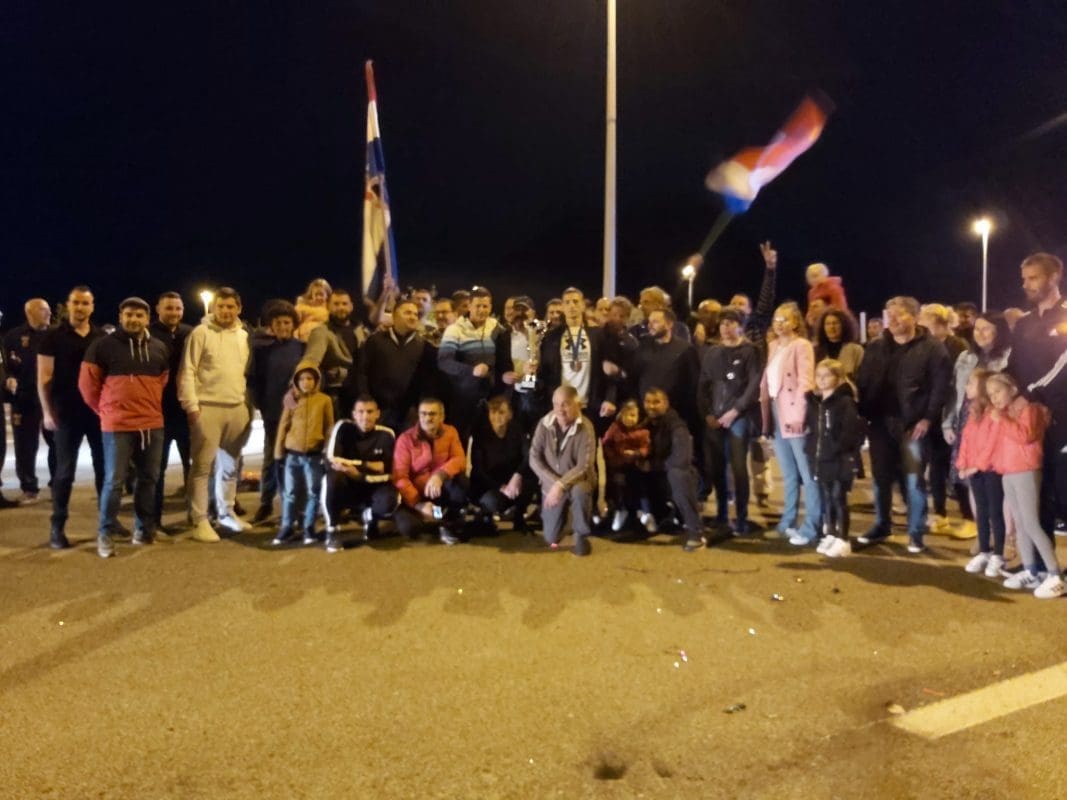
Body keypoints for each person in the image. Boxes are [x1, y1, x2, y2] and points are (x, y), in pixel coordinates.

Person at [856, 296, 951, 553]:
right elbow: (864, 379)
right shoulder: (876, 346)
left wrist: (927, 417)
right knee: (880, 477)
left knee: (914, 480)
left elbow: (940, 387)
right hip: (879, 422)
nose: (893, 320)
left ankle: (916, 532)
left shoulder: (932, 348)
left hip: (913, 424)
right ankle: (882, 525)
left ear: (915, 317)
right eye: (890, 315)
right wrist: (863, 411)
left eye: (900, 314)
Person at [78, 297, 170, 557]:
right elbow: (87, 385)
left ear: (147, 318)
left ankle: (144, 530)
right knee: (114, 481)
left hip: (151, 423)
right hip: (117, 425)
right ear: (120, 317)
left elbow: (162, 380)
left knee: (149, 479)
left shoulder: (159, 348)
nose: (134, 319)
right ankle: (105, 534)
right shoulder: (102, 346)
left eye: (139, 315)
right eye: (129, 314)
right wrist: (106, 411)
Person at [179, 286, 253, 542]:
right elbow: (188, 370)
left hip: (237, 407)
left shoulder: (244, 337)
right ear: (213, 307)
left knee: (231, 466)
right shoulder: (200, 333)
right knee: (202, 467)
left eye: (230, 306)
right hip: (207, 407)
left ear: (239, 308)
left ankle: (226, 512)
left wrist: (246, 406)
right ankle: (199, 519)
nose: (225, 311)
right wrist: (191, 405)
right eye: (221, 306)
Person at [38, 286, 106, 548]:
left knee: (104, 470)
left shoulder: (101, 338)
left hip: (97, 413)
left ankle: (107, 523)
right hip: (65, 413)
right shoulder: (52, 337)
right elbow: (44, 377)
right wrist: (47, 412)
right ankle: (57, 527)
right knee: (64, 473)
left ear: (92, 306)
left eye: (85, 303)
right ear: (68, 305)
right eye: (76, 302)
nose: (80, 307)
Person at [986, 372, 1065, 598]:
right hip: (1008, 471)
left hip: (1026, 470)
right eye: (990, 394)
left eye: (998, 391)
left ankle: (1054, 574)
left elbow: (1026, 436)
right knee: (1020, 524)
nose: (994, 397)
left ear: (1011, 389)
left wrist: (1003, 420)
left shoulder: (1028, 409)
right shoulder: (1004, 414)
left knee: (1031, 523)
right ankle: (1031, 570)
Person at [1007, 253, 1067, 539]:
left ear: (1054, 277)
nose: (1026, 284)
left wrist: (1032, 394)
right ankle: (1041, 560)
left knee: (1062, 491)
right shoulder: (1024, 322)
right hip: (1029, 418)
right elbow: (1014, 365)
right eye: (1024, 279)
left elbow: (1064, 366)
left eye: (1033, 278)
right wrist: (997, 389)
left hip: (1061, 418)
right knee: (1037, 493)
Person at [761, 302, 821, 545]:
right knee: (787, 472)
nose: (779, 323)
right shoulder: (774, 346)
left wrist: (798, 415)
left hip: (794, 412)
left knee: (808, 473)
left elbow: (806, 381)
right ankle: (787, 522)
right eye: (776, 319)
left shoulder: (801, 345)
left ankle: (812, 526)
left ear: (796, 322)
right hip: (776, 411)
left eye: (785, 319)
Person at [698, 308, 761, 534]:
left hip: (738, 417)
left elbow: (753, 385)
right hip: (715, 416)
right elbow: (703, 385)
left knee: (738, 467)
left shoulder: (750, 351)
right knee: (716, 467)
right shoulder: (713, 353)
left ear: (740, 326)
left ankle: (741, 518)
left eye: (731, 322)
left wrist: (734, 411)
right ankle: (722, 514)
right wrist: (707, 413)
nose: (726, 327)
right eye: (723, 323)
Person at [248, 301, 305, 523]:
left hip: (297, 414)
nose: (282, 326)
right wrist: (260, 405)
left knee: (295, 460)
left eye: (287, 322)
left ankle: (294, 506)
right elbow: (254, 380)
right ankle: (266, 503)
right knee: (272, 458)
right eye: (278, 322)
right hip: (272, 412)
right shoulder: (262, 351)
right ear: (271, 325)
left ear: (293, 324)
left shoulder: (302, 348)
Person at [535, 287, 617, 435]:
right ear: (563, 307)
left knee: (588, 448)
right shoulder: (551, 337)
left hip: (589, 406)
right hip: (560, 409)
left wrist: (610, 398)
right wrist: (529, 377)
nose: (572, 305)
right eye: (567, 302)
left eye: (575, 301)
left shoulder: (598, 335)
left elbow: (609, 371)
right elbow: (543, 374)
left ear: (583, 305)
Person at [437, 286, 513, 444]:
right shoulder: (454, 330)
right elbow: (444, 362)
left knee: (487, 444)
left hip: (490, 398)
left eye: (485, 306)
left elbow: (504, 358)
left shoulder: (496, 328)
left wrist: (506, 374)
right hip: (463, 399)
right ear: (469, 306)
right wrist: (471, 371)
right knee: (460, 443)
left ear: (490, 307)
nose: (481, 310)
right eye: (478, 305)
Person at [321, 395, 398, 552]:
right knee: (332, 479)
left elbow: (390, 471)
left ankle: (370, 517)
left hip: (373, 485)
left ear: (377, 414)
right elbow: (332, 460)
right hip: (349, 485)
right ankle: (332, 531)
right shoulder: (343, 428)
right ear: (354, 414)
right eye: (361, 412)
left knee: (392, 499)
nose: (365, 416)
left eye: (370, 412)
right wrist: (368, 465)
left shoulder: (387, 435)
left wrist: (359, 473)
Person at [807, 359, 865, 559]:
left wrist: (836, 448)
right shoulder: (816, 403)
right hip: (822, 458)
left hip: (840, 459)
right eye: (818, 375)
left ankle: (843, 538)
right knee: (827, 497)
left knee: (839, 497)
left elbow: (850, 432)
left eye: (827, 376)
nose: (822, 380)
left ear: (838, 378)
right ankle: (831, 533)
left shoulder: (844, 402)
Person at [529, 385, 597, 555]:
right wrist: (555, 484)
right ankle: (568, 517)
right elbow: (534, 458)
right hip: (552, 485)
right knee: (551, 538)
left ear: (577, 405)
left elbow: (584, 466)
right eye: (556, 404)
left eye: (565, 404)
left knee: (580, 492)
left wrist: (561, 485)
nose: (560, 409)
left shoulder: (586, 427)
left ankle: (581, 535)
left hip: (578, 482)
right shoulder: (544, 424)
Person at [271, 365, 335, 547]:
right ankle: (287, 526)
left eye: (310, 378)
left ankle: (309, 527)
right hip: (293, 455)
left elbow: (329, 427)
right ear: (296, 381)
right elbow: (284, 425)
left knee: (314, 492)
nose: (306, 382)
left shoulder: (324, 400)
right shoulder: (291, 399)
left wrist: (327, 450)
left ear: (316, 381)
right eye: (302, 379)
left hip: (314, 455)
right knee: (289, 493)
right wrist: (278, 451)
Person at [392, 398, 468, 545]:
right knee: (410, 528)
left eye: (432, 414)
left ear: (442, 416)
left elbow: (459, 459)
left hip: (439, 490)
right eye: (423, 414)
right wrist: (418, 504)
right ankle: (433, 519)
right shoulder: (405, 439)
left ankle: (446, 521)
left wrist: (440, 475)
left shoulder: (450, 432)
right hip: (414, 495)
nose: (427, 418)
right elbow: (400, 477)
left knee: (461, 483)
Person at [148, 291, 194, 530]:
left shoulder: (191, 333)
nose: (174, 312)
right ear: (158, 309)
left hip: (186, 412)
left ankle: (196, 516)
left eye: (178, 308)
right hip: (159, 412)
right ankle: (154, 521)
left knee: (193, 467)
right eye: (169, 308)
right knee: (157, 469)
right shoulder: (148, 334)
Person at [357, 298, 437, 433]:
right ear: (394, 316)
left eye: (415, 314)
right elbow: (362, 372)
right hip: (378, 410)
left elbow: (429, 382)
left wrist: (419, 408)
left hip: (409, 415)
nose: (413, 317)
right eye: (407, 313)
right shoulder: (375, 341)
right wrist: (365, 400)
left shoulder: (424, 347)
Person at [3, 297, 55, 504]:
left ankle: (58, 484)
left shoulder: (56, 335)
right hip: (25, 399)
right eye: (43, 310)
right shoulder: (13, 337)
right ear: (29, 312)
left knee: (58, 443)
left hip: (52, 398)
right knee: (25, 445)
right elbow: (5, 366)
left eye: (49, 309)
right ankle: (29, 487)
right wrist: (8, 379)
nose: (49, 313)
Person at [955, 368, 1006, 577]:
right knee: (981, 512)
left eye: (971, 383)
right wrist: (962, 464)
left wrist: (977, 465)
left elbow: (993, 443)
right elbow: (966, 439)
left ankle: (998, 554)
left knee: (995, 512)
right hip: (973, 470)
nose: (966, 387)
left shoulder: (994, 413)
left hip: (991, 470)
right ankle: (984, 551)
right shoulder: (973, 411)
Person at [642, 388, 707, 551]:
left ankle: (696, 532)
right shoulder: (646, 423)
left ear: (666, 404)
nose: (651, 406)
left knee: (678, 475)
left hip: (682, 474)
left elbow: (681, 459)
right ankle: (660, 518)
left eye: (656, 402)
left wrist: (653, 465)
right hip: (660, 472)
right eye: (648, 402)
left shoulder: (676, 425)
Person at [469, 395, 532, 533]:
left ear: (510, 414)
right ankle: (485, 515)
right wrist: (501, 487)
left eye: (502, 412)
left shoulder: (517, 430)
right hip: (489, 485)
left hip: (513, 482)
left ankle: (519, 517)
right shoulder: (481, 434)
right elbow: (478, 469)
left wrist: (517, 476)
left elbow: (528, 456)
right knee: (493, 502)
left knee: (531, 478)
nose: (497, 416)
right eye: (493, 412)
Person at [632, 308, 699, 422]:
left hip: (673, 415)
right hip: (644, 413)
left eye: (655, 322)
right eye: (649, 322)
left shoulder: (685, 350)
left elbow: (692, 385)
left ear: (669, 324)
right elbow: (634, 376)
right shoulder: (642, 346)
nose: (650, 326)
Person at [302, 288, 361, 417]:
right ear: (328, 306)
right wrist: (301, 387)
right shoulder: (321, 332)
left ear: (351, 306)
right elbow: (310, 361)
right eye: (336, 304)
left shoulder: (360, 331)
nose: (341, 307)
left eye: (344, 304)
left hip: (360, 393)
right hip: (335, 394)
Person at [601, 399, 650, 533]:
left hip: (636, 464)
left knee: (640, 486)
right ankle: (620, 510)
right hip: (618, 464)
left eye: (634, 415)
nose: (631, 418)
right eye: (627, 415)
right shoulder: (615, 428)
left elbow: (646, 447)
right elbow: (606, 443)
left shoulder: (643, 431)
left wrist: (637, 453)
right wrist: (614, 457)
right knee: (619, 486)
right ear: (621, 415)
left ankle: (646, 513)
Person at [812, 308, 864, 382]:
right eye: (828, 324)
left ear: (844, 325)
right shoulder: (816, 350)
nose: (832, 327)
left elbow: (862, 378)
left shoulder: (856, 350)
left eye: (835, 323)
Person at [804, 262, 848, 328]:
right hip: (818, 325)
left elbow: (840, 308)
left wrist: (824, 310)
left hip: (833, 322)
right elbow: (810, 311)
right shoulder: (811, 293)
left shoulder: (834, 288)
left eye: (816, 275)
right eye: (811, 276)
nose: (813, 279)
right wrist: (810, 318)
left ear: (824, 275)